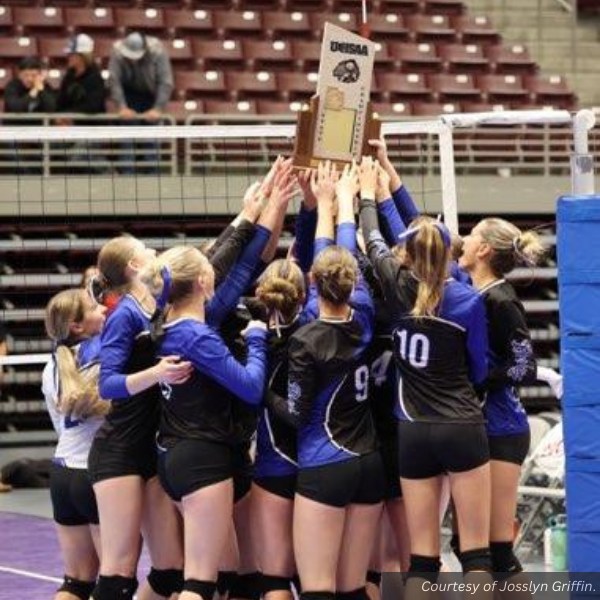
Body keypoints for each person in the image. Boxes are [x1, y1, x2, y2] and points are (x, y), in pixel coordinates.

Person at [359, 157, 493, 585]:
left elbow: (374, 240)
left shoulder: (399, 288)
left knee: (421, 559)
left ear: (409, 256)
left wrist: (367, 194)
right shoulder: (468, 300)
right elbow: (479, 366)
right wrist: (387, 187)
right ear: (448, 254)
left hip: (413, 430)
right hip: (460, 424)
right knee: (476, 553)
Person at [268, 162, 383, 600]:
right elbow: (341, 256)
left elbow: (296, 414)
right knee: (354, 588)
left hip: (325, 463)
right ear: (352, 285)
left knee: (317, 590)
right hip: (368, 462)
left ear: (312, 284)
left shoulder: (306, 336)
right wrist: (343, 203)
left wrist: (264, 391)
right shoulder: (366, 317)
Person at [144, 245, 269, 600]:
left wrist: (264, 213)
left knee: (220, 576)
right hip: (202, 458)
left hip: (176, 453)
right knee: (198, 583)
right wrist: (258, 341)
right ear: (202, 281)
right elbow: (250, 388)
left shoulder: (168, 323)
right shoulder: (196, 336)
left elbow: (242, 270)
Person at [88, 236, 188, 600]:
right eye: (147, 250)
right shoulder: (125, 314)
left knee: (171, 570)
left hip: (152, 448)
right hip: (119, 451)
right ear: (133, 266)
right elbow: (108, 385)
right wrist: (156, 374)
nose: (155, 253)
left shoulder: (154, 305)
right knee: (118, 572)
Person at [458, 218, 545, 577]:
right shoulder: (471, 291)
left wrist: (478, 382)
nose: (462, 240)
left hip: (502, 428)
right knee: (468, 548)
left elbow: (525, 366)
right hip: (478, 425)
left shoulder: (501, 300)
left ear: (484, 250)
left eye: (471, 235)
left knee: (496, 551)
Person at [42, 288, 107, 600]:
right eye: (95, 307)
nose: (104, 310)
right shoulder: (107, 356)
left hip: (62, 472)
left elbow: (59, 424)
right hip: (94, 475)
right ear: (77, 325)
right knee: (114, 580)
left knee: (77, 581)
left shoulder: (51, 367)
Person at [108, 32, 173, 121]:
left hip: (151, 94)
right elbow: (114, 81)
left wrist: (158, 109)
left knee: (153, 126)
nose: (132, 60)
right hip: (128, 94)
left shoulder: (158, 51)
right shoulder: (117, 51)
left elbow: (165, 82)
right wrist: (121, 107)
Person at [56, 35, 106, 117]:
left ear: (83, 56)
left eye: (72, 54)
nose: (68, 57)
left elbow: (93, 106)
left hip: (91, 127)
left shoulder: (95, 78)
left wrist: (69, 115)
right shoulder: (69, 77)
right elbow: (60, 101)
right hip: (68, 127)